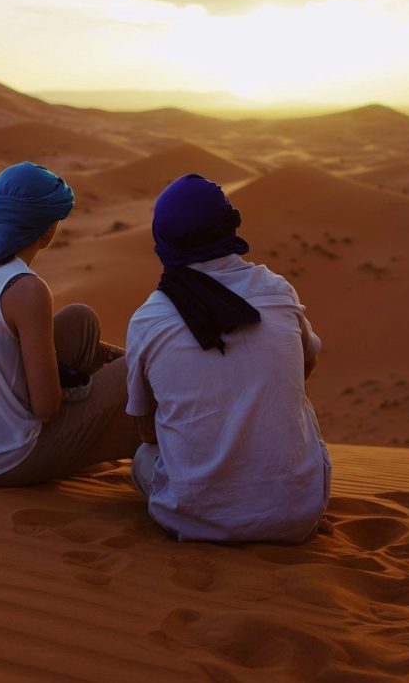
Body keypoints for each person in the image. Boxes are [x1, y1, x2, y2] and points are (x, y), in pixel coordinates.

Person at [126, 173, 331, 543]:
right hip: (297, 519)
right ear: (228, 225)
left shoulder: (149, 318)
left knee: (143, 458)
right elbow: (307, 364)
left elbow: (145, 429)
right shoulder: (277, 291)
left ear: (162, 238)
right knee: (300, 403)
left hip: (191, 520)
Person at [0, 161, 140, 486]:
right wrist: (90, 387)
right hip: (8, 459)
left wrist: (107, 357)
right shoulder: (26, 290)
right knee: (140, 368)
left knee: (79, 321)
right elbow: (47, 408)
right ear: (47, 229)